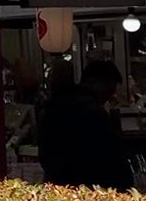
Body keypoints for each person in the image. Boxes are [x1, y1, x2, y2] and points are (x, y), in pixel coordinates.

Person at [38, 58, 134, 190]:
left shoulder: (55, 106)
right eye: (110, 89)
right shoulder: (93, 112)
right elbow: (112, 155)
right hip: (92, 186)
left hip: (61, 184)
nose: (110, 95)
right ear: (96, 82)